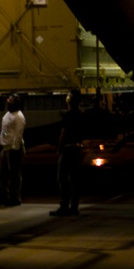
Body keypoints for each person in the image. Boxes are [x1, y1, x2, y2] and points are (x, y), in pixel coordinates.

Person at [51, 88, 85, 216]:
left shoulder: (68, 116)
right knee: (75, 179)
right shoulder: (80, 115)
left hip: (68, 149)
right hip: (77, 149)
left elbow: (63, 135)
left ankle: (64, 205)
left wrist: (59, 149)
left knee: (62, 178)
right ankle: (74, 206)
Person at [0, 94, 26, 206]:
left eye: (10, 101)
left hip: (13, 148)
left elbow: (18, 134)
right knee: (3, 174)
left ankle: (15, 197)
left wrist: (14, 148)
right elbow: (5, 130)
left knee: (14, 174)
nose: (8, 102)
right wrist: (0, 142)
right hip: (5, 147)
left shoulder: (19, 117)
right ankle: (3, 196)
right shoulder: (8, 114)